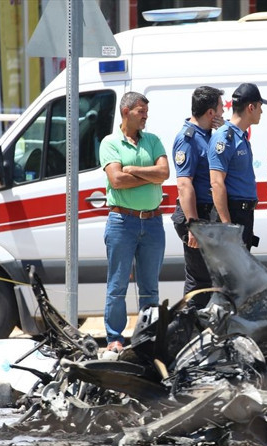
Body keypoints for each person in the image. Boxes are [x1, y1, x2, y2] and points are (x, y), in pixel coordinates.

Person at [100, 91, 169, 353]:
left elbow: (163, 172)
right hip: (122, 221)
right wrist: (149, 177)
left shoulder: (152, 140)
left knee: (150, 288)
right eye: (141, 111)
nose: (146, 116)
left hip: (152, 222)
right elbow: (116, 180)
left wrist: (134, 170)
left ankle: (147, 337)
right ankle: (115, 338)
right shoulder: (110, 143)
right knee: (117, 286)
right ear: (126, 112)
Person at [170, 86, 224, 309]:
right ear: (210, 112)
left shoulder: (208, 133)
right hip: (196, 216)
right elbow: (184, 184)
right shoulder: (187, 139)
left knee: (213, 280)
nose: (223, 112)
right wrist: (193, 224)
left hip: (207, 215)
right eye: (221, 108)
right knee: (199, 282)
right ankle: (192, 333)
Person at [208, 83, 267, 250]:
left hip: (244, 215)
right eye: (260, 107)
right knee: (231, 274)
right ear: (251, 107)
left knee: (241, 274)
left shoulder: (239, 136)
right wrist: (227, 226)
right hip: (233, 214)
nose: (261, 112)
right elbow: (217, 183)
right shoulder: (224, 138)